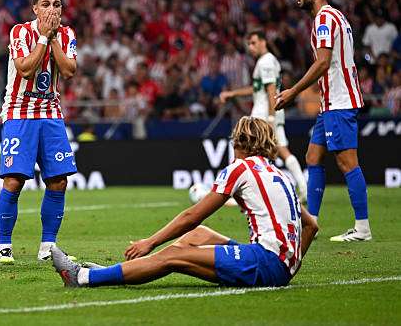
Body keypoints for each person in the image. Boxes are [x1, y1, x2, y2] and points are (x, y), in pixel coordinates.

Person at [51, 117, 318, 288]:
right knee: (198, 236)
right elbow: (311, 226)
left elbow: (192, 215)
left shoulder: (240, 168)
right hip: (279, 263)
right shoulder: (279, 175)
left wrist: (150, 242)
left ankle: (83, 277)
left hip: (265, 262)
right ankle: (117, 271)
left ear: (237, 142)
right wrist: (290, 267)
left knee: (172, 255)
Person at [275, 0, 371, 242]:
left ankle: (362, 228)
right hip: (329, 103)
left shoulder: (324, 20)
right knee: (313, 157)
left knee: (346, 161)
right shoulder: (335, 16)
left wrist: (293, 91)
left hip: (339, 102)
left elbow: (323, 63)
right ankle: (311, 224)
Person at [0, 0, 78, 263]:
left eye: (56, 5)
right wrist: (43, 37)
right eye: (45, 4)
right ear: (34, 8)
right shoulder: (20, 31)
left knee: (58, 181)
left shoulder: (67, 34)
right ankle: (5, 247)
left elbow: (68, 71)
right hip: (19, 113)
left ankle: (47, 247)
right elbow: (26, 69)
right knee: (14, 179)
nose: (51, 10)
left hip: (51, 114)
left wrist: (53, 38)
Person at [220, 30, 307, 201]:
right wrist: (233, 93)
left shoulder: (266, 62)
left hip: (263, 114)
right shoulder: (267, 61)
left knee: (240, 145)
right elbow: (257, 88)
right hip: (271, 112)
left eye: (253, 43)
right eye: (249, 44)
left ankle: (230, 190)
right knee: (282, 150)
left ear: (263, 42)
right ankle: (303, 188)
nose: (250, 47)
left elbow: (271, 90)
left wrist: (271, 118)